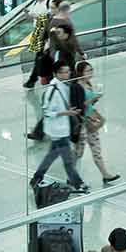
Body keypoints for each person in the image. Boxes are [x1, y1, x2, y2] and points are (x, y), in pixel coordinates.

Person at [30, 62, 89, 194]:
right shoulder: (52, 89)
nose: (67, 74)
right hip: (57, 131)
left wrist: (68, 110)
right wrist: (65, 113)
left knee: (51, 156)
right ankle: (77, 183)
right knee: (68, 160)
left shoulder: (63, 86)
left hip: (62, 128)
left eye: (68, 71)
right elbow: (47, 112)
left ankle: (37, 178)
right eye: (63, 72)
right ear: (56, 73)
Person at [71, 61, 120, 186]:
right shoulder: (76, 87)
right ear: (80, 72)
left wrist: (94, 103)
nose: (90, 73)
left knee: (96, 150)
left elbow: (89, 106)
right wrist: (92, 99)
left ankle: (105, 174)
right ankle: (71, 175)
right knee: (78, 152)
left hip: (90, 121)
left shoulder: (88, 84)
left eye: (91, 70)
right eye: (87, 71)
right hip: (82, 123)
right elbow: (78, 107)